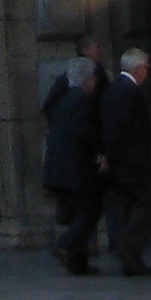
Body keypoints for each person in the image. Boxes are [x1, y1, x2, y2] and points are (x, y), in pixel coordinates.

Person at [43, 53, 107, 272]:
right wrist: (99, 153)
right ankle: (64, 245)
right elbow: (83, 132)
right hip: (74, 170)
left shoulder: (65, 100)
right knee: (90, 210)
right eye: (94, 79)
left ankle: (78, 263)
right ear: (87, 79)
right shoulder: (80, 100)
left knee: (76, 215)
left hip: (60, 169)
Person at [100, 46, 151, 278]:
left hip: (118, 164)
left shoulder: (112, 89)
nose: (147, 73)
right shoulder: (131, 93)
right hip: (132, 162)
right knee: (147, 203)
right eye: (146, 68)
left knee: (126, 206)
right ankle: (128, 249)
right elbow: (125, 130)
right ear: (139, 68)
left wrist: (107, 157)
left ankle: (130, 258)